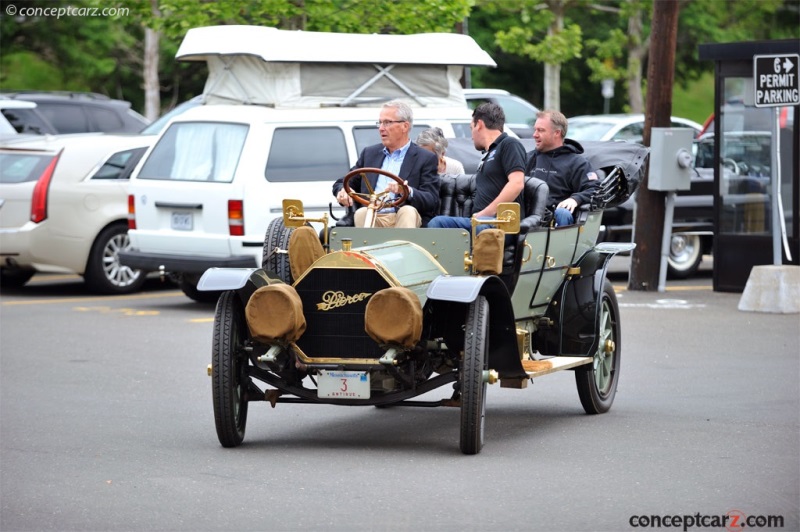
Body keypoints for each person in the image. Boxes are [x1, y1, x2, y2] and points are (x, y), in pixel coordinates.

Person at [332, 100, 440, 228]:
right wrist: (343, 190)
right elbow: (343, 182)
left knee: (407, 211)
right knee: (362, 212)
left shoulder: (425, 158)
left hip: (404, 217)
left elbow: (431, 200)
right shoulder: (370, 154)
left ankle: (402, 248)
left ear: (405, 126)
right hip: (374, 217)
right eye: (380, 123)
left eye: (387, 122)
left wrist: (406, 190)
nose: (381, 128)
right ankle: (365, 248)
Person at [427, 103, 526, 231]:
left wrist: (485, 214)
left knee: (482, 230)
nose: (472, 136)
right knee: (437, 223)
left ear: (479, 124)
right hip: (479, 221)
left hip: (499, 222)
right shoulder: (488, 153)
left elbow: (517, 183)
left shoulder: (509, 144)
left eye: (471, 128)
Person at [524, 110, 598, 226]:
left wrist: (575, 199)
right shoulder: (527, 158)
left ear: (557, 133)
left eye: (541, 130)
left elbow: (595, 189)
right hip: (526, 216)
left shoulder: (577, 163)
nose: (535, 134)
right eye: (535, 129)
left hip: (556, 221)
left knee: (563, 213)